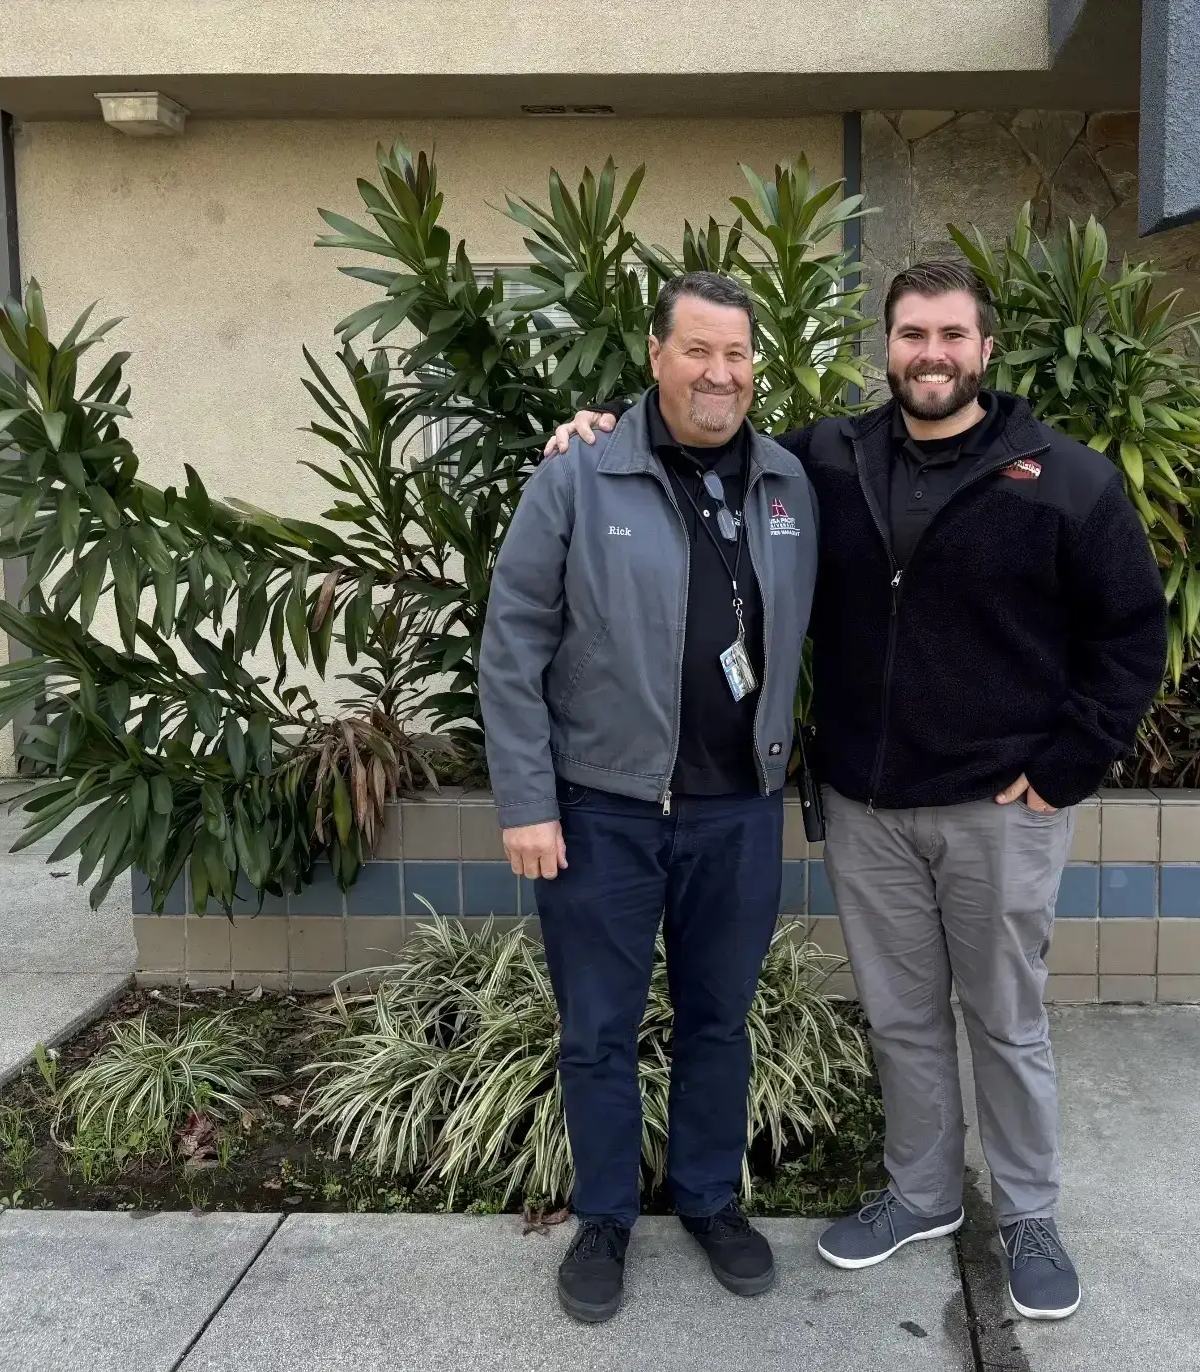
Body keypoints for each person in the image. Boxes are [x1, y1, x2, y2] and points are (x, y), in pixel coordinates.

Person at [543, 259, 1166, 1322]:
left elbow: (1130, 636)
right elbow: (706, 432)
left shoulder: (1066, 478)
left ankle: (1024, 1213)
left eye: (952, 336)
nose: (931, 354)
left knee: (1004, 1020)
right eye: (912, 334)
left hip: (998, 809)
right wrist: (596, 433)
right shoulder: (826, 460)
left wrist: (1065, 767)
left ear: (985, 348)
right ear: (886, 347)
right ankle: (921, 1192)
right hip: (869, 806)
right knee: (902, 1018)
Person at [480, 270, 819, 1324]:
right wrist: (526, 802)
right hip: (602, 811)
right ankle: (607, 1217)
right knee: (598, 1027)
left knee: (719, 1020)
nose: (719, 373)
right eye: (698, 351)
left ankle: (712, 1200)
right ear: (655, 355)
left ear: (754, 367)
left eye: (737, 355)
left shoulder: (788, 482)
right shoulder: (579, 475)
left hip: (740, 810)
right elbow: (513, 644)